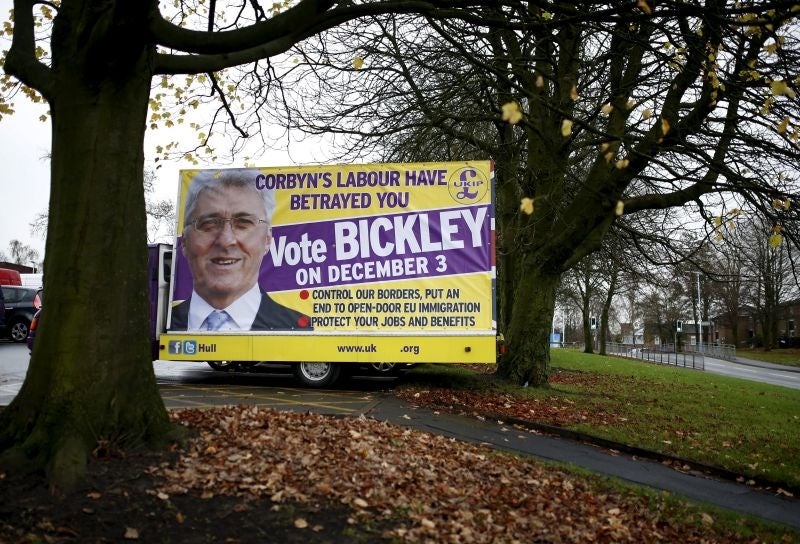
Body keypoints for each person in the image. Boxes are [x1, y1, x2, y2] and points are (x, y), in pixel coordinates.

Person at [169, 169, 311, 332]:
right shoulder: (160, 326)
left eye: (243, 223)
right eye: (209, 223)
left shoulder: (301, 328)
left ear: (267, 239)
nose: (226, 240)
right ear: (185, 241)